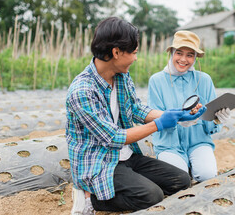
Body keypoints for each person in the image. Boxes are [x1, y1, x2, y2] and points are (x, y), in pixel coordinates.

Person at [65, 18, 206, 214]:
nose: (136, 58)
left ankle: (129, 186)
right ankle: (92, 198)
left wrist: (176, 115)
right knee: (151, 196)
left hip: (126, 155)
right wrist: (158, 124)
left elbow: (136, 109)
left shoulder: (121, 75)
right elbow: (113, 137)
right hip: (100, 161)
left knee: (181, 180)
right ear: (116, 53)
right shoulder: (82, 91)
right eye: (134, 52)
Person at [147, 30, 230, 183]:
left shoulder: (204, 80)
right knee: (179, 180)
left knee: (208, 176)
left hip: (198, 141)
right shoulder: (157, 81)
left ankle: (195, 165)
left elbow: (209, 122)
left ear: (195, 57)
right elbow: (153, 118)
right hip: (168, 144)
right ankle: (185, 167)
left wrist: (217, 120)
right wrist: (177, 121)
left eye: (190, 55)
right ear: (171, 52)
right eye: (179, 53)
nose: (183, 59)